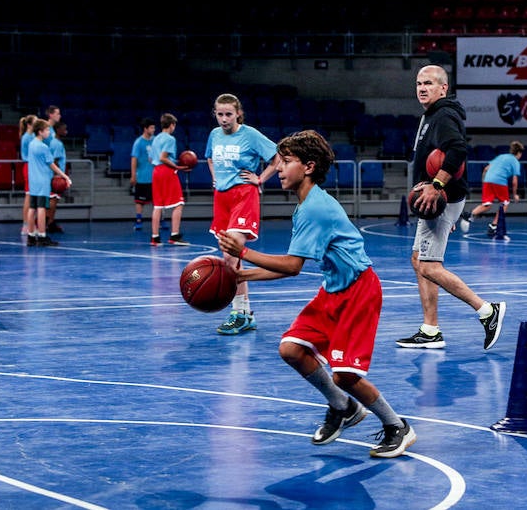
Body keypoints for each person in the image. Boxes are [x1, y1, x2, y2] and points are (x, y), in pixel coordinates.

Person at [217, 130, 416, 458]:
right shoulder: (306, 204)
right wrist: (241, 274)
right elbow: (289, 266)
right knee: (291, 350)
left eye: (286, 162)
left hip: (359, 292)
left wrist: (245, 253)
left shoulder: (315, 208)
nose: (278, 168)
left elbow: (292, 266)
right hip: (334, 289)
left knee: (346, 375)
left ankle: (397, 426)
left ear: (308, 167)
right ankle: (343, 409)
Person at [395, 64, 506, 350]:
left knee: (430, 266)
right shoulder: (431, 114)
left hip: (439, 198)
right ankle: (430, 330)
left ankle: (486, 311)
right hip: (438, 202)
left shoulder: (443, 114)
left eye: (429, 83)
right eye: (419, 83)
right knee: (419, 260)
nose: (422, 87)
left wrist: (438, 188)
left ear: (443, 88)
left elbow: (458, 150)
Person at [206, 93, 280, 335]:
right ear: (215, 114)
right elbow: (209, 158)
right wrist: (215, 178)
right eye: (220, 114)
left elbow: (277, 157)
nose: (224, 119)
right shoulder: (214, 135)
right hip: (222, 198)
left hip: (244, 196)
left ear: (238, 113)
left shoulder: (250, 135)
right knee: (234, 259)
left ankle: (237, 313)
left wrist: (260, 178)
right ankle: (244, 313)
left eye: (229, 114)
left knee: (229, 256)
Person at [459, 140, 523, 236]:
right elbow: (514, 181)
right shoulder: (515, 161)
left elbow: (486, 169)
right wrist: (515, 194)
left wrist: (484, 182)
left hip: (488, 180)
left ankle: (469, 215)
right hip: (500, 181)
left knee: (487, 204)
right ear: (519, 153)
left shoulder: (501, 157)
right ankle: (494, 226)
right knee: (505, 203)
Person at [25, 119, 71, 247]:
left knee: (32, 208)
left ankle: (31, 236)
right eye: (46, 130)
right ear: (40, 132)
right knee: (41, 209)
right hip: (42, 180)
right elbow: (52, 165)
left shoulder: (32, 144)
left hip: (33, 180)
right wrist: (65, 176)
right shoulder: (43, 147)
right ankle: (42, 236)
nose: (49, 133)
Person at [148, 113, 190, 246]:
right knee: (178, 203)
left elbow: (152, 159)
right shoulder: (170, 139)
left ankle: (155, 238)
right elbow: (163, 157)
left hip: (156, 172)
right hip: (166, 171)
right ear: (172, 125)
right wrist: (178, 166)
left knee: (158, 205)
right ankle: (175, 236)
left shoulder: (155, 139)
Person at [130, 117, 156, 231]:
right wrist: (133, 175)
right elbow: (134, 159)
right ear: (145, 129)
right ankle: (139, 220)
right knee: (140, 201)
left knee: (157, 201)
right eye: (151, 128)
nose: (154, 130)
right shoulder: (138, 142)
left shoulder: (156, 140)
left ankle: (160, 220)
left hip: (154, 176)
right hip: (142, 176)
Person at [45, 121, 68, 234]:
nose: (66, 131)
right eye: (64, 129)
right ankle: (49, 222)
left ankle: (49, 221)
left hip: (53, 174)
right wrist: (58, 175)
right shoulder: (57, 143)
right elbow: (55, 161)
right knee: (53, 198)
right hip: (56, 175)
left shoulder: (54, 142)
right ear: (58, 130)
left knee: (53, 199)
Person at [19, 114, 38, 236]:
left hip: (35, 166)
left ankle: (32, 223)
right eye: (36, 122)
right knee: (28, 195)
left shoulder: (34, 136)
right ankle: (26, 224)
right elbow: (26, 156)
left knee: (34, 195)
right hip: (29, 166)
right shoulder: (27, 137)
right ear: (29, 124)